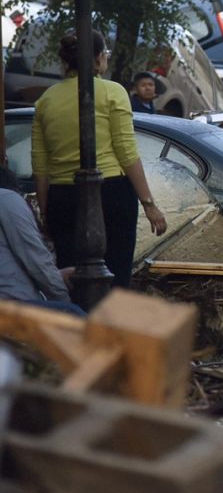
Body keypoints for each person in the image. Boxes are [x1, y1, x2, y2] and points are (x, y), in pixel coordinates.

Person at [33, 31, 167, 298]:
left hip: (63, 197)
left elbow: (41, 164)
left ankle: (76, 330)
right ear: (97, 59)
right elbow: (127, 152)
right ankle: (108, 335)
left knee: (71, 280)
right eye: (104, 54)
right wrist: (149, 204)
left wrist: (46, 211)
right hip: (111, 194)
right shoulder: (112, 92)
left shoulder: (46, 100)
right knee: (114, 275)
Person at [0, 166, 82, 315]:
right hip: (12, 308)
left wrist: (58, 276)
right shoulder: (6, 198)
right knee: (76, 315)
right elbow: (36, 261)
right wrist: (64, 302)